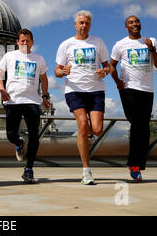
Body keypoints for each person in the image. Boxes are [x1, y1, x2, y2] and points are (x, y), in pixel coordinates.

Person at [55, 10, 110, 185]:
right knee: (82, 124)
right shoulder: (66, 44)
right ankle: (86, 170)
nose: (83, 25)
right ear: (75, 24)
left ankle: (87, 136)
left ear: (90, 25)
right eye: (81, 22)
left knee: (98, 129)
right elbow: (57, 70)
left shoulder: (98, 42)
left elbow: (108, 66)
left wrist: (104, 72)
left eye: (86, 23)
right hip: (74, 90)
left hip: (95, 90)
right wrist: (62, 71)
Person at [109, 15, 157, 181]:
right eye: (131, 22)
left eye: (137, 21)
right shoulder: (120, 44)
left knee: (143, 128)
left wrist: (152, 49)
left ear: (141, 24)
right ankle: (134, 166)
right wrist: (117, 81)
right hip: (128, 89)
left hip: (147, 90)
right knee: (138, 123)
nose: (135, 24)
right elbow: (111, 65)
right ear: (126, 27)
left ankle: (137, 166)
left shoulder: (151, 41)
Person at [0, 29, 50, 183]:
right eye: (22, 41)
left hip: (32, 101)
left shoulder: (38, 58)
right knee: (10, 134)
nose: (25, 43)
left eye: (28, 40)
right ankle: (19, 143)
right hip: (13, 100)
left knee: (34, 136)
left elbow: (44, 79)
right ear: (17, 42)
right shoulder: (9, 56)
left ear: (32, 42)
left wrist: (45, 95)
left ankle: (29, 169)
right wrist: (1, 89)